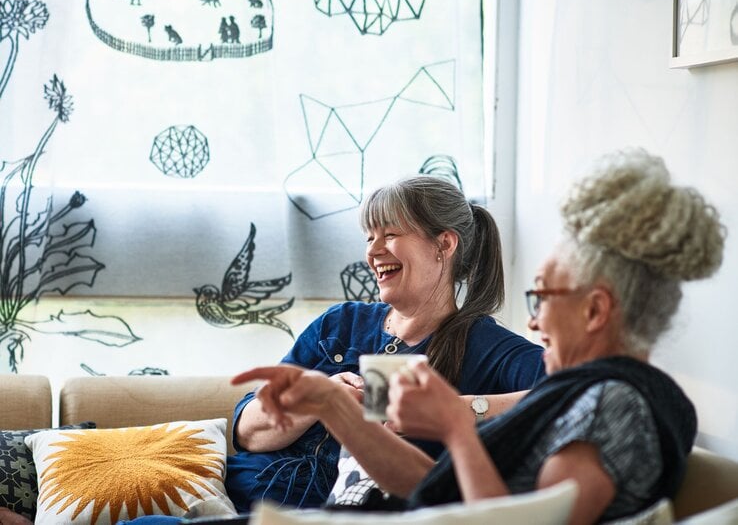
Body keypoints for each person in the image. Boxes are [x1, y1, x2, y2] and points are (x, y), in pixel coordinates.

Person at [236, 149, 726, 523]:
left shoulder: (608, 406)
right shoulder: (586, 397)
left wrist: (456, 422)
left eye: (542, 300)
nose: (533, 322)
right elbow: (440, 490)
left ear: (595, 310)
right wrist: (334, 406)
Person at [224, 175, 545, 513]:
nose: (373, 252)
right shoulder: (341, 323)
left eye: (390, 234)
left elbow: (577, 388)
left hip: (308, 514)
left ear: (444, 245)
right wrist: (320, 398)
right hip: (229, 497)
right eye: (369, 237)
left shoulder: (482, 343)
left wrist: (457, 410)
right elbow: (246, 431)